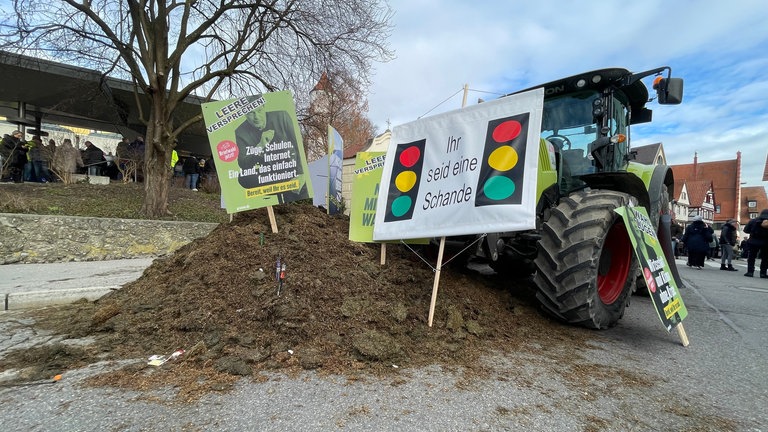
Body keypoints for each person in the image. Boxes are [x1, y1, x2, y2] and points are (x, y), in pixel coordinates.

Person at [235, 96, 307, 202]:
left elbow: (298, 145)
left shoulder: (281, 116)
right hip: (268, 174)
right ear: (245, 115)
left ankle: (289, 190)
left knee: (299, 196)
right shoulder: (240, 132)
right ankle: (280, 191)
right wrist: (260, 146)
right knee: (243, 177)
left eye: (259, 110)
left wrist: (301, 173)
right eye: (251, 113)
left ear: (264, 107)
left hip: (289, 168)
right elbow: (242, 163)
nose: (256, 117)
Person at [742, 209, 768, 278]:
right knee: (765, 258)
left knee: (751, 257)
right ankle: (763, 273)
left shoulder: (753, 221)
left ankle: (750, 272)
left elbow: (745, 230)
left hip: (753, 242)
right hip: (766, 243)